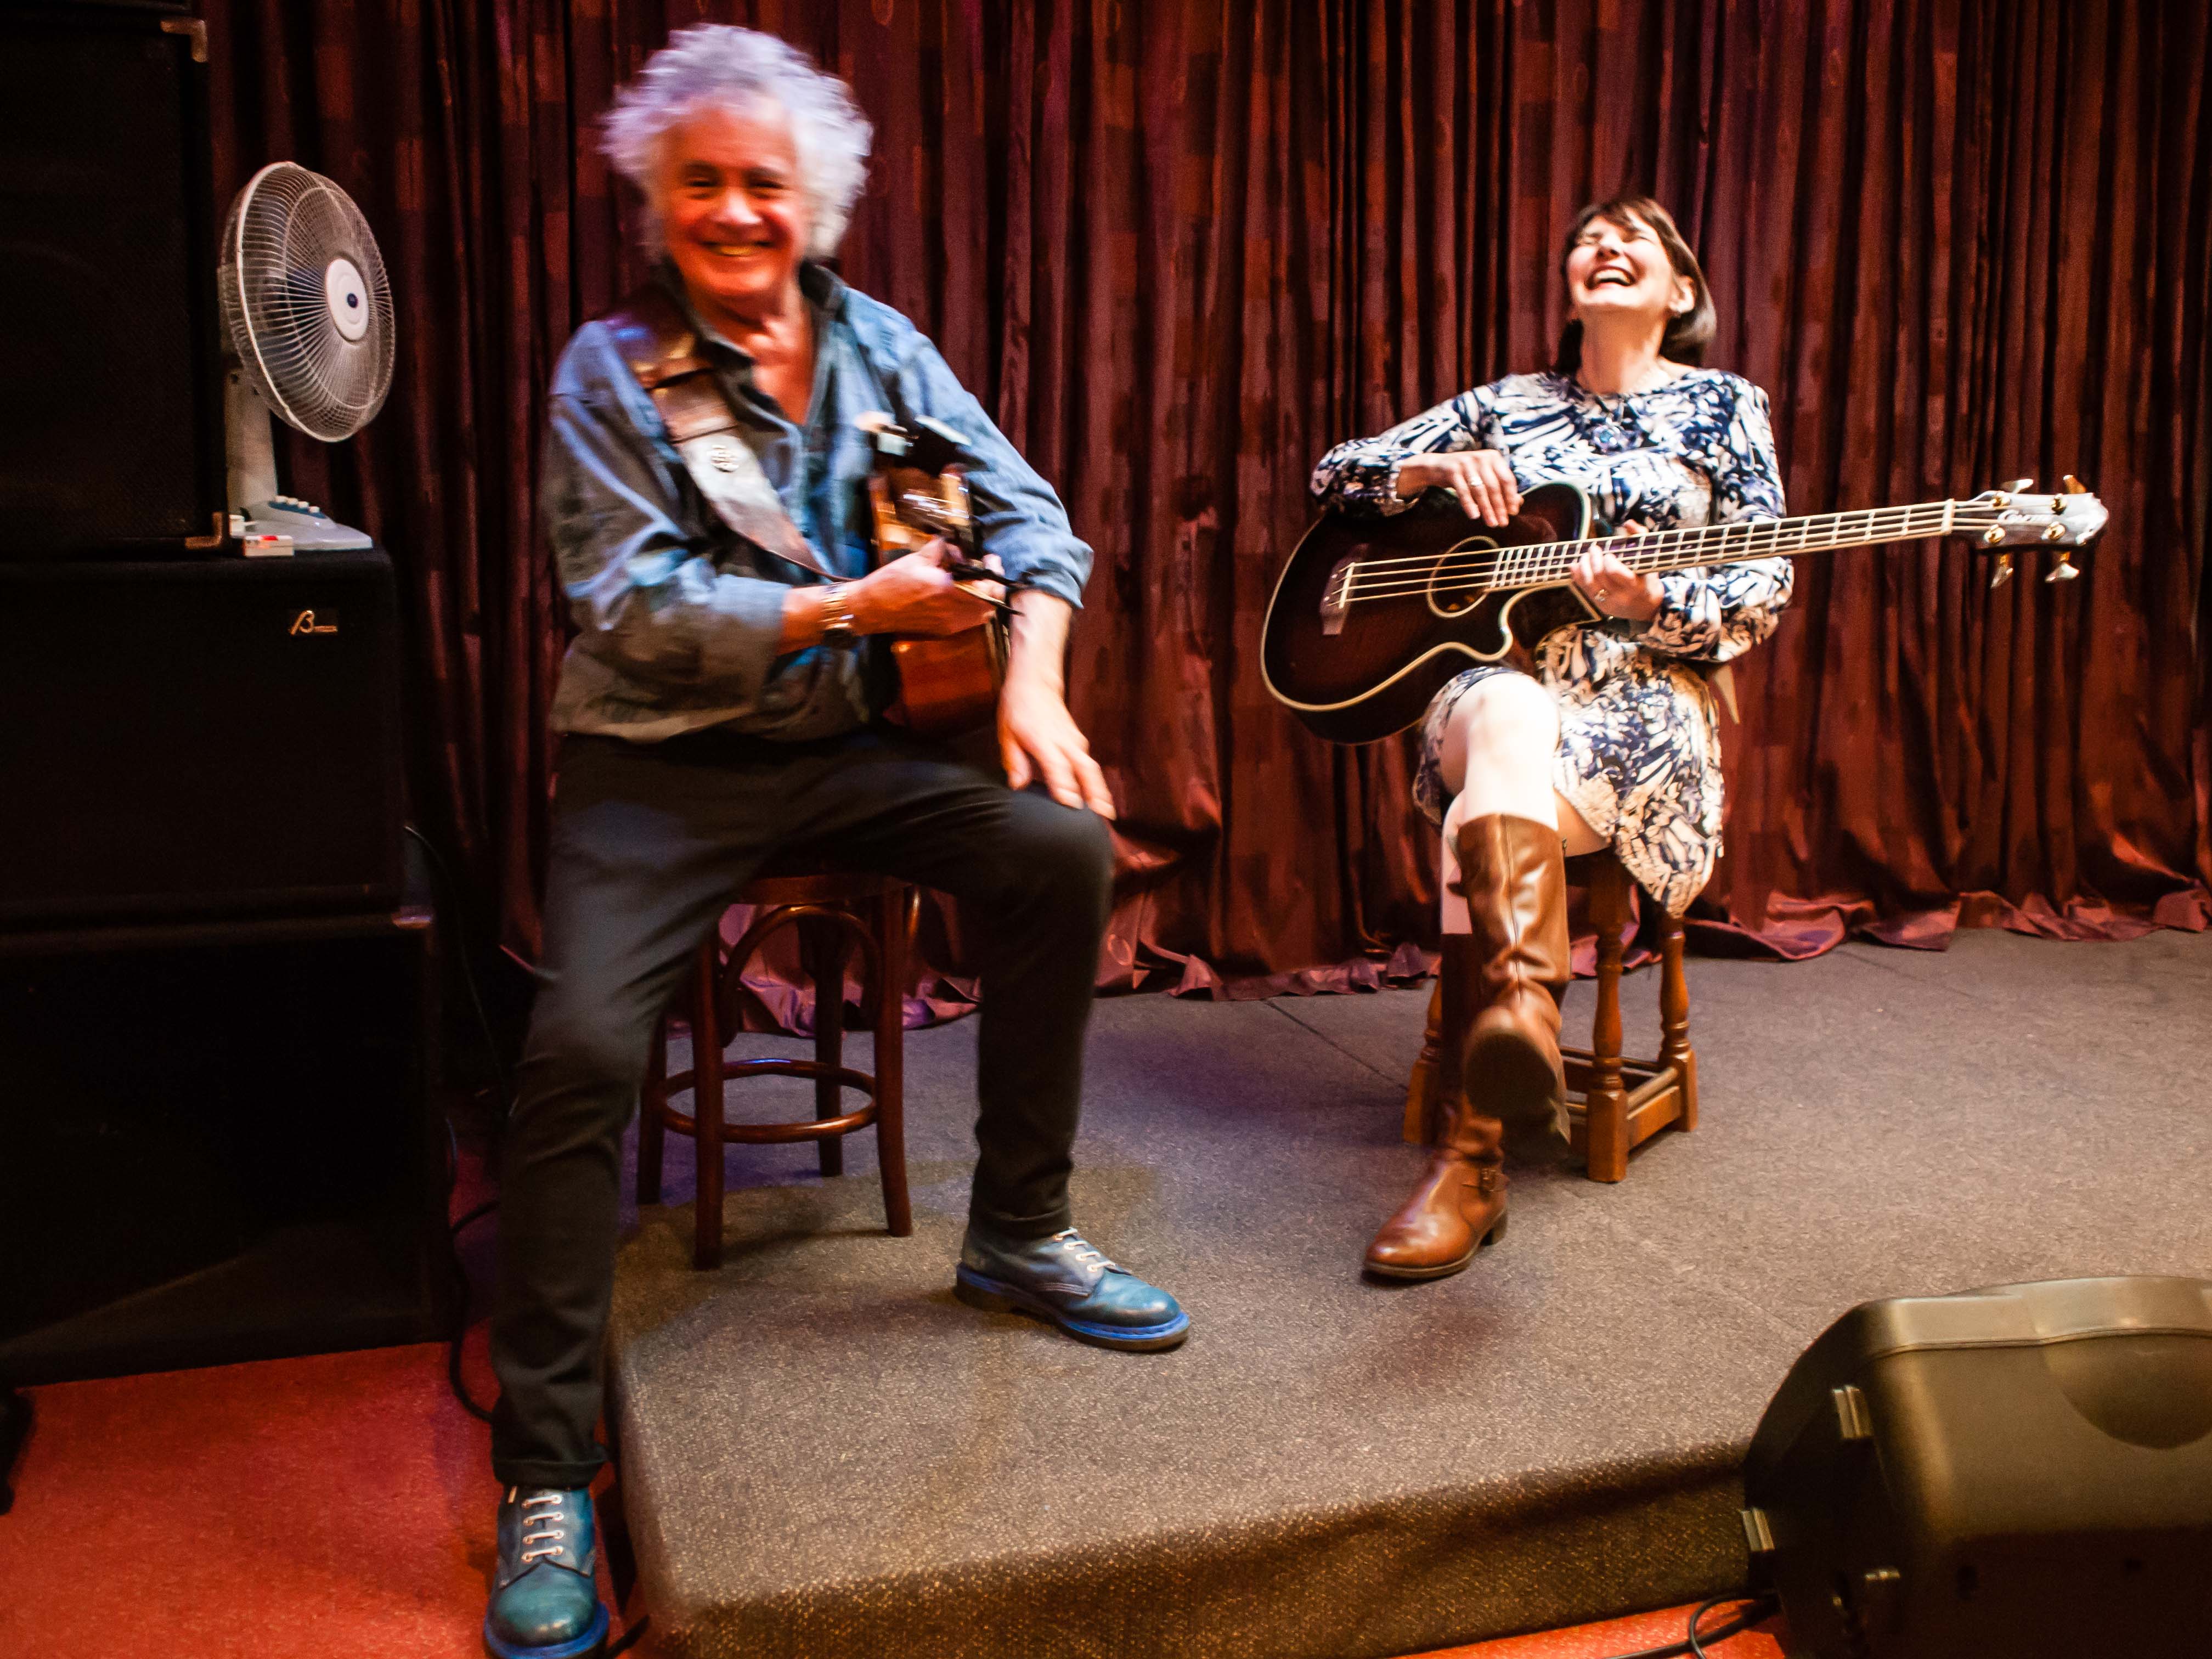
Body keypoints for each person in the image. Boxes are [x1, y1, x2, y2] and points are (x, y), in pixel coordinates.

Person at [482, 27, 1187, 1659]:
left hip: (855, 751)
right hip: (659, 767)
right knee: (578, 1050)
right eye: (702, 181)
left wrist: (1031, 674)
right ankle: (545, 1468)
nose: (735, 209)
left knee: (1062, 853)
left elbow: (1036, 519)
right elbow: (631, 612)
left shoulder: (883, 345)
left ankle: (1018, 1233)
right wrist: (853, 605)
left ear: (817, 202)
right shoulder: (612, 369)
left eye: (762, 181)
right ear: (656, 199)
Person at [1310, 195, 1792, 1284]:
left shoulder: (1725, 406)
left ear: (1682, 290)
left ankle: (1470, 1161)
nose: (1605, 246)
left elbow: (1765, 581)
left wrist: (1653, 603)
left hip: (1644, 706)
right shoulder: (1504, 405)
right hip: (1499, 693)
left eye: (1637, 237)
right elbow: (1335, 474)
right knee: (1505, 710)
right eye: (1588, 236)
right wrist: (1432, 473)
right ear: (1569, 282)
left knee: (1491, 783)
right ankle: (1525, 1014)